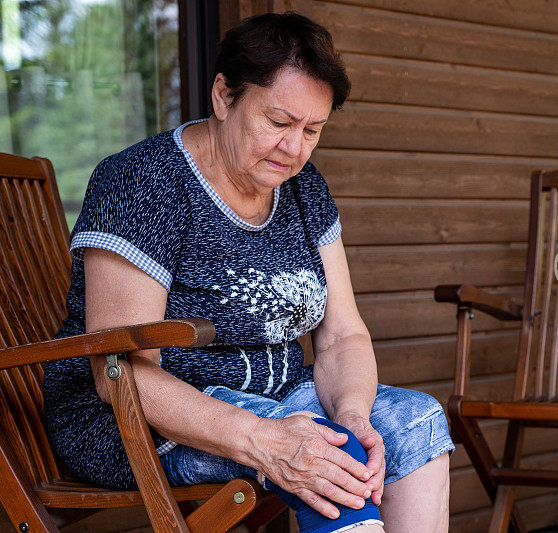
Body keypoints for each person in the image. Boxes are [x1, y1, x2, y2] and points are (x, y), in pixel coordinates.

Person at [43, 12, 453, 532]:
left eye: (312, 130)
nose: (295, 148)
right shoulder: (142, 182)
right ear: (223, 95)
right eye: (279, 123)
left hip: (276, 397)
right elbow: (120, 371)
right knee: (331, 456)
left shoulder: (305, 189)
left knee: (415, 424)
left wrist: (352, 412)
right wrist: (263, 437)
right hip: (139, 421)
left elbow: (343, 335)